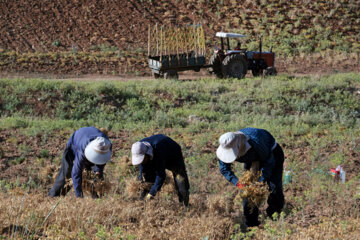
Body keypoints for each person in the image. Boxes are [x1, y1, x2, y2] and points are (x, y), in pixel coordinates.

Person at [216, 127, 285, 227]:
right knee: (248, 190)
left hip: (271, 154)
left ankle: (274, 216)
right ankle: (251, 223)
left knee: (273, 187)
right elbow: (225, 169)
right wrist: (238, 183)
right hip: (251, 159)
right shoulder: (225, 146)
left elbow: (269, 164)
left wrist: (260, 181)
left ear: (239, 147)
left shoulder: (257, 142)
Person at [49, 127, 112, 198]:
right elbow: (76, 173)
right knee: (67, 172)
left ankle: (96, 197)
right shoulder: (82, 150)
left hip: (88, 138)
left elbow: (102, 160)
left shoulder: (107, 145)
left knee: (95, 175)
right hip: (74, 143)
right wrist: (79, 196)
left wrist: (98, 171)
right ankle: (55, 195)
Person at [131, 134, 190, 206]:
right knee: (148, 178)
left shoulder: (158, 148)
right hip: (154, 156)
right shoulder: (138, 148)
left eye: (142, 159)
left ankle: (184, 203)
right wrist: (143, 187)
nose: (141, 162)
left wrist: (152, 193)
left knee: (180, 179)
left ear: (146, 154)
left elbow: (161, 175)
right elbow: (142, 172)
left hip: (173, 156)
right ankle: (144, 203)